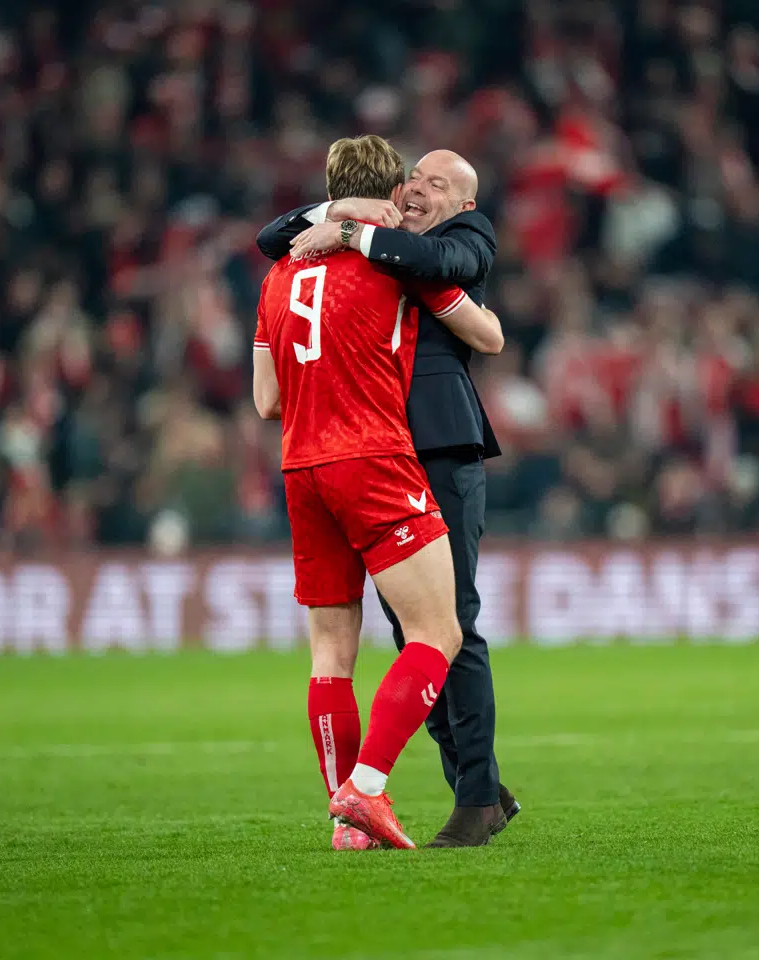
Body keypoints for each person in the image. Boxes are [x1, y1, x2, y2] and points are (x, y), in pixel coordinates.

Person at [256, 149, 519, 847]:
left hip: (425, 444)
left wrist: (347, 228)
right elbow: (272, 233)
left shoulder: (443, 246)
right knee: (420, 634)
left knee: (446, 624)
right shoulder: (363, 253)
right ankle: (454, 777)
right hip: (374, 453)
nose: (419, 190)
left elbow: (477, 313)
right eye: (413, 180)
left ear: (462, 203)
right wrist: (342, 218)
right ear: (390, 188)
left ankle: (475, 796)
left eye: (438, 184)